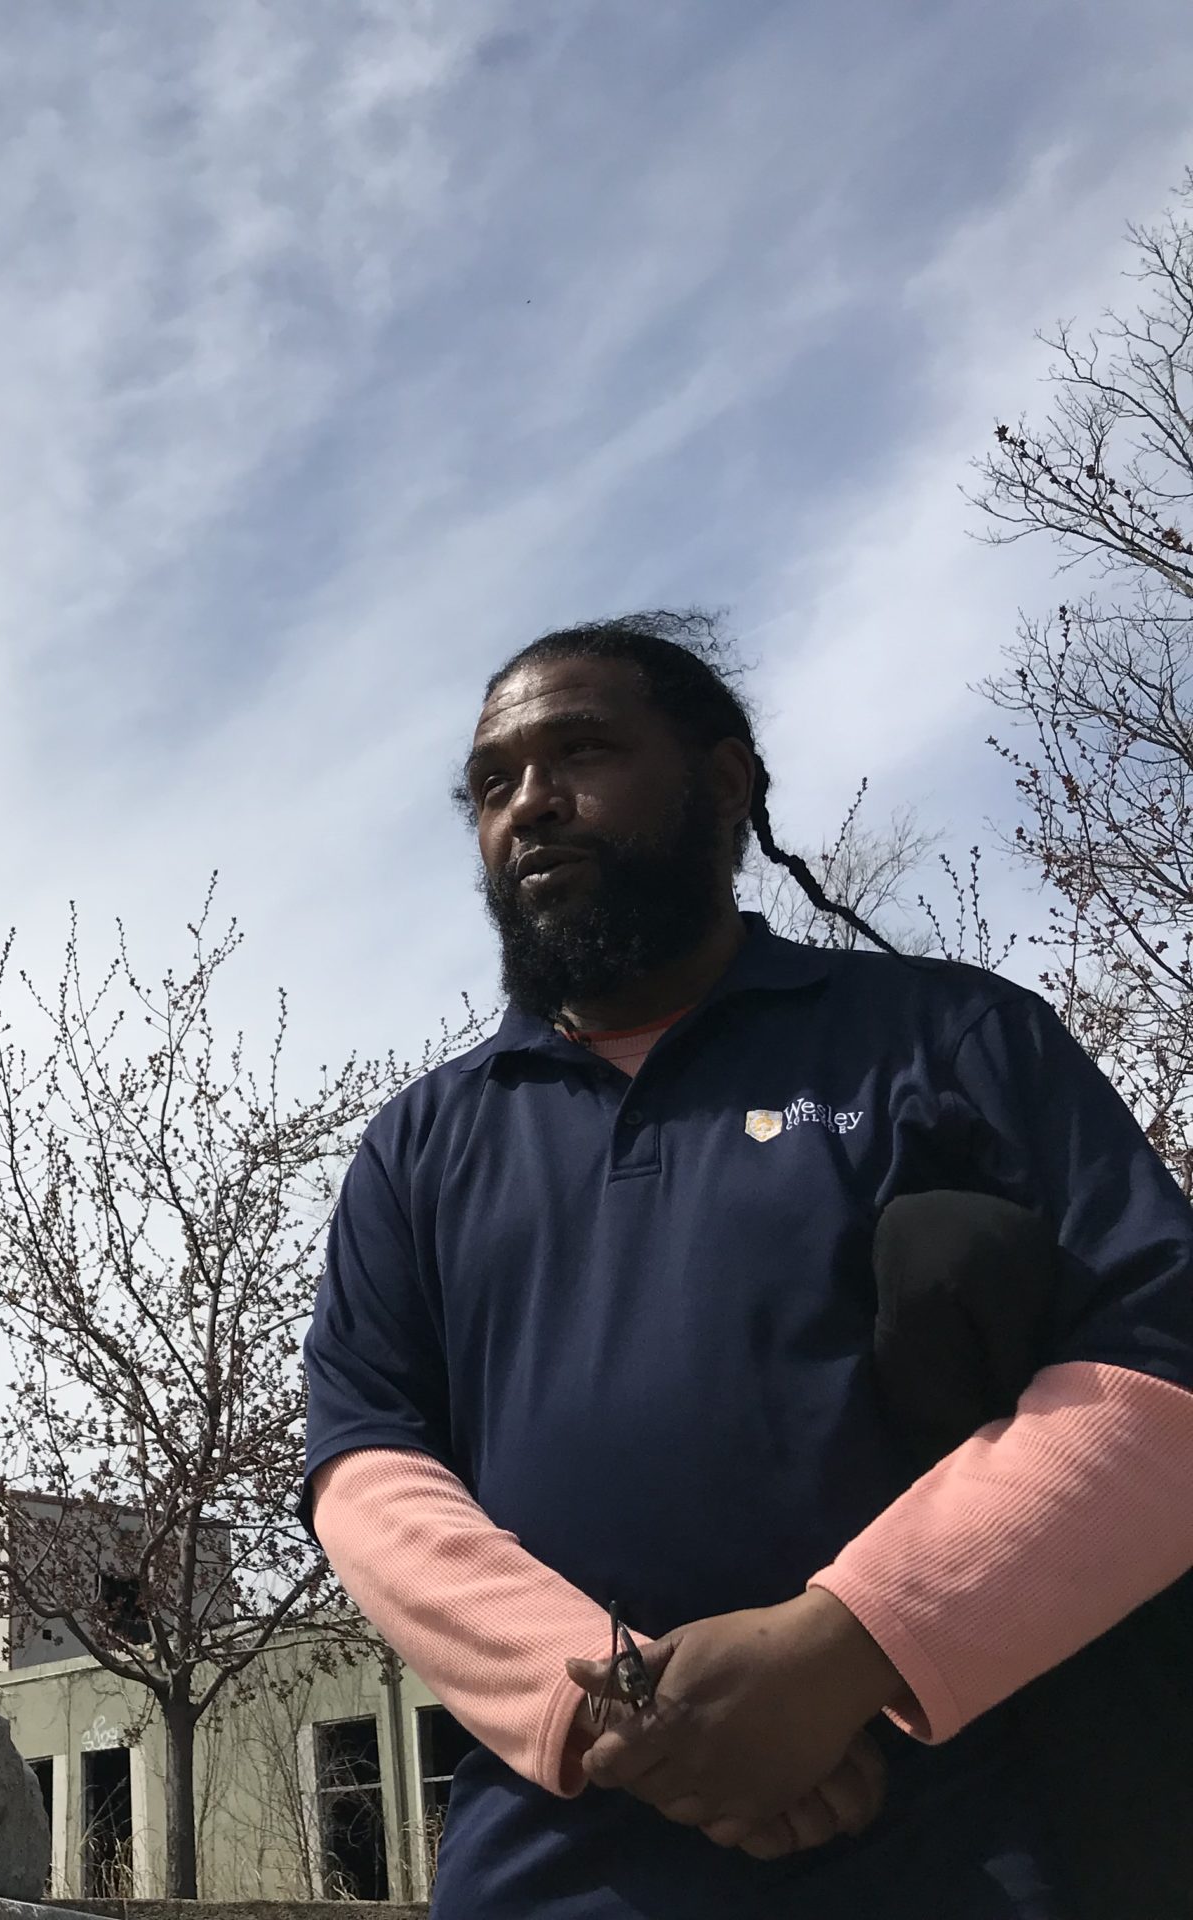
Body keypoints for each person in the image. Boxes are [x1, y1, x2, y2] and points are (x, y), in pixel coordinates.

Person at [300, 612, 1193, 1917]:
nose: (530, 805)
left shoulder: (948, 1040)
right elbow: (367, 1461)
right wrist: (624, 1706)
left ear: (725, 782)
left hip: (941, 1843)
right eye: (493, 785)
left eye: (582, 752)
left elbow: (1161, 1367)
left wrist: (846, 1649)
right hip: (549, 1859)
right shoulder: (422, 1142)